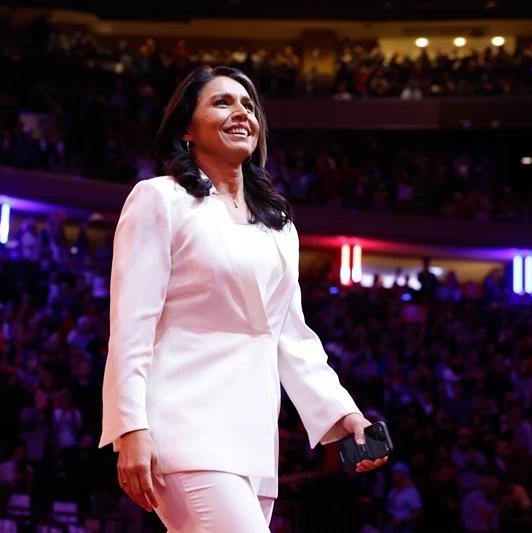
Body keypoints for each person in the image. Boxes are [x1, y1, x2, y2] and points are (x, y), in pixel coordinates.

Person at [99, 65, 386, 532]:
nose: (241, 113)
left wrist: (344, 413)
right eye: (221, 102)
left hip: (253, 439)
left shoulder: (278, 225)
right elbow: (131, 325)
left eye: (248, 105)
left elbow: (290, 336)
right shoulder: (159, 199)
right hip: (183, 425)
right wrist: (129, 427)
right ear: (186, 130)